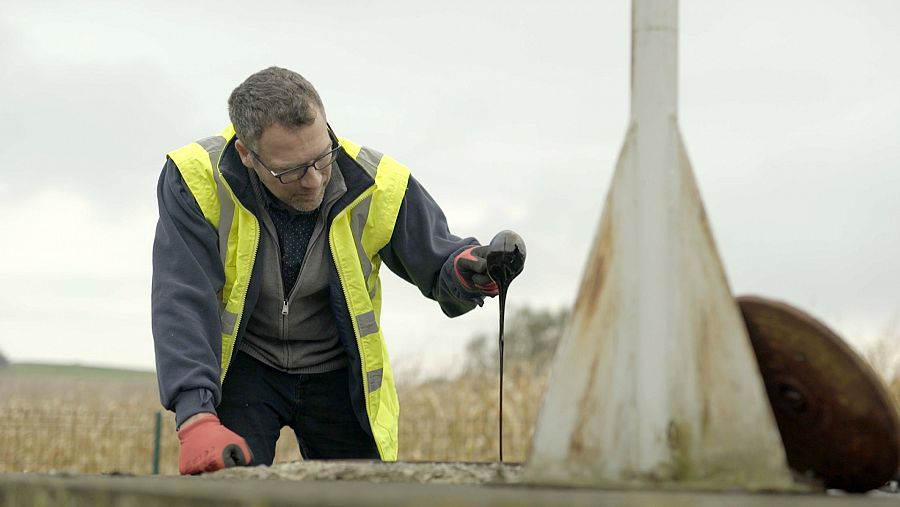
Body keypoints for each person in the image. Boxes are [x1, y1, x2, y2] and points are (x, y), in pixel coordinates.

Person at [151, 66, 525, 475]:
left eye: (321, 157)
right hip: (245, 369)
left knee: (365, 494)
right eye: (290, 170)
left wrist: (471, 271)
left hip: (339, 376)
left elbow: (440, 263)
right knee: (229, 491)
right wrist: (195, 417)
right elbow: (183, 299)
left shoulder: (379, 182)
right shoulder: (193, 179)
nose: (313, 181)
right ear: (246, 154)